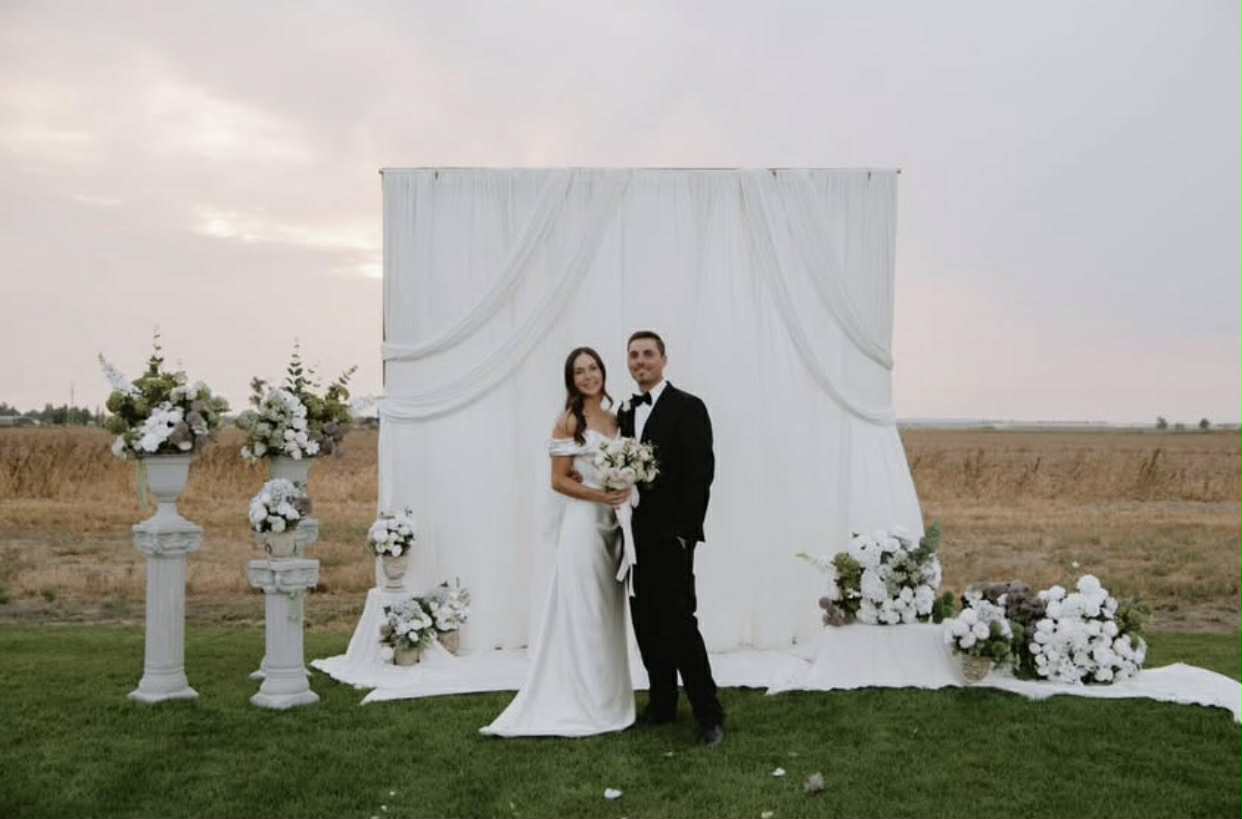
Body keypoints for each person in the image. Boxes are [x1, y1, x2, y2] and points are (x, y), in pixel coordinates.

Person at [480, 347, 635, 737]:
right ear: (571, 380)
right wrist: (601, 496)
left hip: (613, 526)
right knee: (583, 610)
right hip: (583, 525)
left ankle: (608, 696)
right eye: (579, 371)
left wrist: (622, 491)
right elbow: (559, 480)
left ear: (603, 372)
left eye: (593, 368)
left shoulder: (616, 418)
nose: (588, 376)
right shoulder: (569, 421)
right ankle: (580, 698)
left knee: (607, 611)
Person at [617, 330, 725, 746]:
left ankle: (709, 714)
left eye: (648, 354)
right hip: (633, 538)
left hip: (671, 537)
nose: (640, 361)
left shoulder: (688, 407)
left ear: (663, 359)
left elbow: (701, 474)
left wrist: (685, 533)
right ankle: (662, 705)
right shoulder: (626, 412)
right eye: (634, 355)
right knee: (645, 622)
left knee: (679, 623)